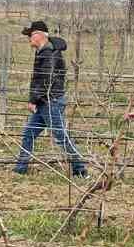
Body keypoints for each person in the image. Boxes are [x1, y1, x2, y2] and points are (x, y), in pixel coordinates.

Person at [13, 20, 87, 177]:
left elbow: (46, 80)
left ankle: (80, 170)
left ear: (39, 35)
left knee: (61, 137)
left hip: (50, 101)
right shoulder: (44, 51)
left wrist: (33, 100)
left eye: (31, 35)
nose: (29, 39)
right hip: (45, 101)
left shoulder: (49, 53)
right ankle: (20, 169)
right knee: (29, 133)